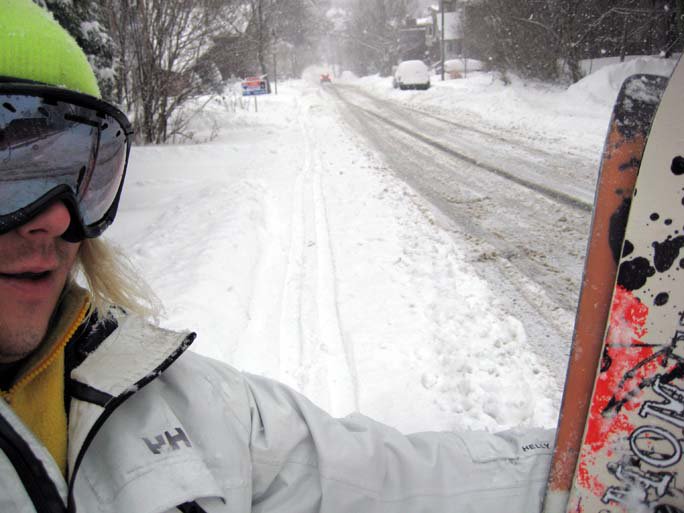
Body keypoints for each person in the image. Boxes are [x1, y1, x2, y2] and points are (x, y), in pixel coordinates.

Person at [0, 1, 554, 512]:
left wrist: (584, 464)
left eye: (80, 174)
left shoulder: (170, 405)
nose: (54, 216)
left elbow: (384, 478)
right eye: (10, 176)